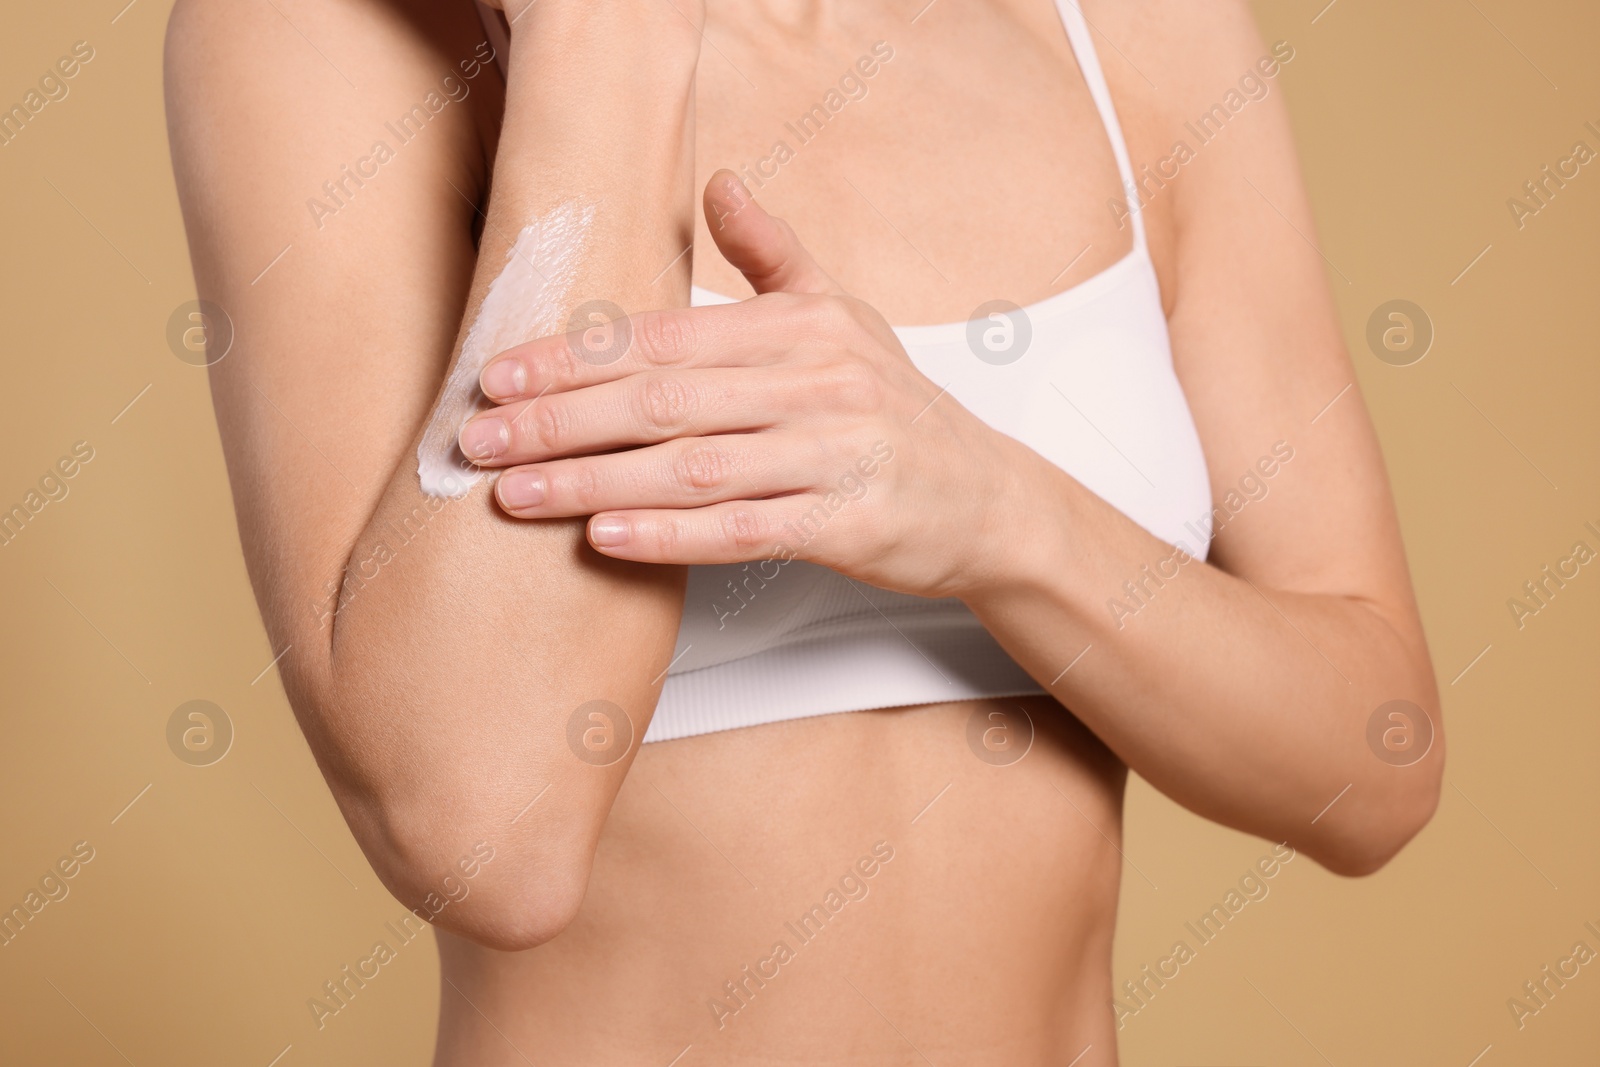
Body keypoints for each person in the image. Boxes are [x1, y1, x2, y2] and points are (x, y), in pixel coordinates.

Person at [164, 0, 1443, 1061]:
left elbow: (1378, 763)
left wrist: (997, 516)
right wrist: (612, 44)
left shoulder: (1135, 32)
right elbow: (485, 837)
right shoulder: (322, 35)